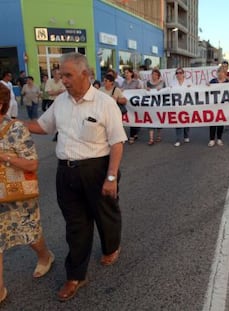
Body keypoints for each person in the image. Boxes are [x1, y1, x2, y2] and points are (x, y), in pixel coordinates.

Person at [26, 52, 127, 301]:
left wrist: (111, 177)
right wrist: (11, 122)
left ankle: (111, 246)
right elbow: (43, 126)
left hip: (97, 170)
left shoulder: (105, 103)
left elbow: (117, 143)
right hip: (66, 173)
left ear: (86, 74)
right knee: (76, 225)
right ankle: (76, 275)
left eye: (68, 75)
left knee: (105, 216)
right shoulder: (60, 102)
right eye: (61, 75)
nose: (63, 80)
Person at [0, 83, 54, 304]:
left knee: (29, 233)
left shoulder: (15, 128)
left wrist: (5, 157)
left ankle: (45, 255)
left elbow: (32, 165)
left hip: (17, 195)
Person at [170, 67, 192, 147]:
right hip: (177, 105)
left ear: (183, 74)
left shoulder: (188, 82)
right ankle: (178, 139)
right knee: (178, 122)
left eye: (180, 73)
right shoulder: (173, 83)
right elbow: (168, 92)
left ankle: (186, 135)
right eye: (177, 73)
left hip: (187, 105)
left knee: (186, 121)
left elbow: (194, 91)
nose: (178, 74)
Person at [208, 65, 229, 147]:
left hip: (223, 106)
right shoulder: (213, 81)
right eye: (219, 72)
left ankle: (219, 138)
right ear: (217, 73)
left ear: (225, 74)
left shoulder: (228, 82)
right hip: (213, 106)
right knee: (212, 122)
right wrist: (207, 85)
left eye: (222, 72)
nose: (220, 74)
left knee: (221, 122)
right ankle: (212, 139)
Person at [121, 67, 142, 144]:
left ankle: (132, 136)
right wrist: (121, 90)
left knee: (133, 118)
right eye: (125, 73)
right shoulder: (123, 82)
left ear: (131, 73)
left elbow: (140, 91)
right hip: (126, 103)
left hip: (134, 104)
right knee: (129, 118)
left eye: (127, 73)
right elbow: (121, 90)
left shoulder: (136, 82)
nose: (126, 74)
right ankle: (134, 134)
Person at [146, 68, 166, 145]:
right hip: (150, 105)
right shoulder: (148, 83)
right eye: (153, 74)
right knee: (150, 120)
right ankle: (151, 138)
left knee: (158, 120)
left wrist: (161, 89)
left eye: (155, 75)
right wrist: (146, 89)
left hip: (159, 104)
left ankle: (158, 135)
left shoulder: (162, 83)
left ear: (158, 76)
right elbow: (145, 91)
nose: (154, 76)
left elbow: (166, 92)